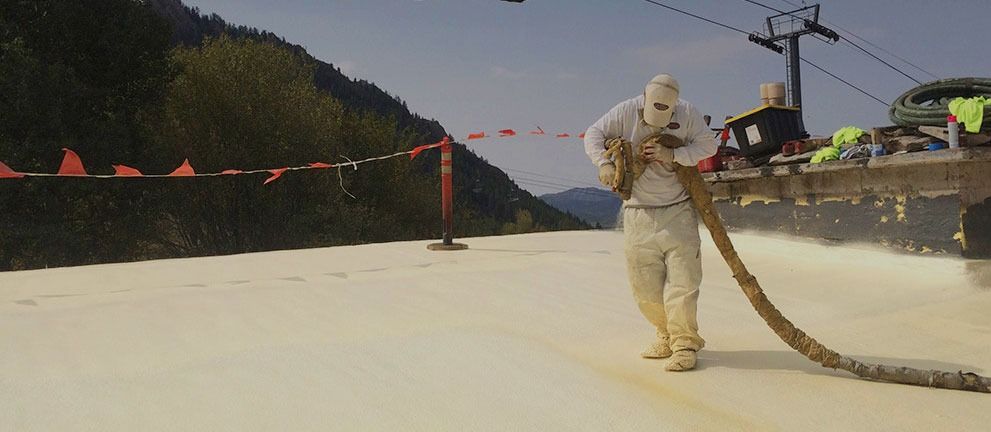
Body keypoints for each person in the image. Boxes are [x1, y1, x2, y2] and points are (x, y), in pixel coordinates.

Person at [583, 74, 717, 371]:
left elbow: (709, 146)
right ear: (643, 101)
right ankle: (665, 333)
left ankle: (684, 343)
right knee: (644, 287)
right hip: (638, 212)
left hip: (678, 209)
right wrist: (603, 163)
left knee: (684, 282)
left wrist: (674, 153)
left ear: (674, 108)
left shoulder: (688, 113)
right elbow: (592, 134)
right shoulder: (625, 111)